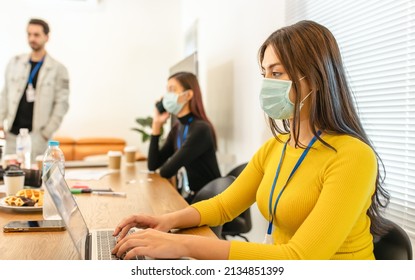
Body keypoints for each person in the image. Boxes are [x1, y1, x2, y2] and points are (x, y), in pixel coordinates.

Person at [112, 20, 390, 260]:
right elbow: (223, 206)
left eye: (277, 73)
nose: (267, 83)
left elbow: (300, 257)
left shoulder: (353, 156)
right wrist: (164, 221)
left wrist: (182, 244)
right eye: (265, 73)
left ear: (316, 79)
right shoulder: (276, 147)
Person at [0, 18, 70, 162]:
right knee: (9, 179)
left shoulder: (58, 69)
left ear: (46, 37)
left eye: (36, 35)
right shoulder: (15, 63)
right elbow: (5, 95)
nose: (32, 38)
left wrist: (46, 133)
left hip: (38, 137)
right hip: (13, 136)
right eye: (29, 34)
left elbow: (61, 105)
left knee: (34, 180)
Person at [147, 71, 221, 203]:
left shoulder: (200, 129)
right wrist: (156, 124)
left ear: (188, 95)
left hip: (210, 200)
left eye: (172, 90)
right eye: (167, 90)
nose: (166, 96)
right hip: (192, 197)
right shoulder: (177, 128)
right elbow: (153, 164)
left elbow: (166, 171)